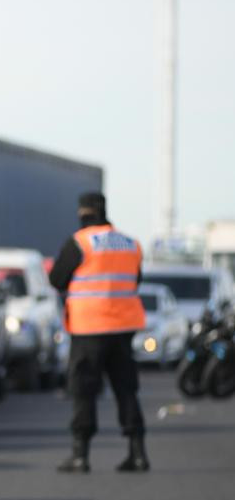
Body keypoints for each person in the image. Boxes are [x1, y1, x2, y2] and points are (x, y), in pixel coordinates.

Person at [48, 192, 149, 473]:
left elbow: (57, 279)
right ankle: (138, 453)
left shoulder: (80, 242)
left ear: (83, 213)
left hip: (89, 327)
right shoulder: (131, 243)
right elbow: (136, 279)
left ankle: (81, 455)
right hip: (123, 328)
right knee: (126, 388)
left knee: (84, 390)